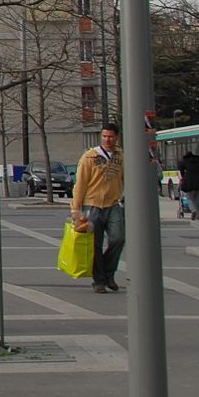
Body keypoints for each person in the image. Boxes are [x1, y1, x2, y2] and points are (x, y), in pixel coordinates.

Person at [73, 123, 126, 293]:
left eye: (110, 136)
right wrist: (76, 208)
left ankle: (109, 273)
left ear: (116, 137)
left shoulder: (121, 156)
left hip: (113, 204)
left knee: (118, 238)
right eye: (104, 136)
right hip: (92, 205)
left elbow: (126, 178)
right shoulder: (89, 156)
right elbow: (80, 183)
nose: (107, 139)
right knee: (94, 244)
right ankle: (99, 280)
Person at [177, 150, 199, 220]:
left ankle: (193, 210)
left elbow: (181, 169)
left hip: (189, 181)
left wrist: (183, 177)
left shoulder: (184, 160)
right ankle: (198, 213)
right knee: (198, 198)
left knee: (189, 197)